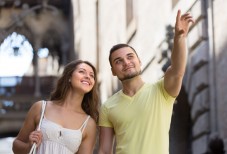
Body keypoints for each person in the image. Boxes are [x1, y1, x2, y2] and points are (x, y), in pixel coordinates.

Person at [98, 10, 194, 154]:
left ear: (139, 62)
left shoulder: (162, 91)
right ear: (113, 71)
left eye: (130, 57)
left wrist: (179, 38)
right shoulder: (107, 107)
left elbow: (176, 70)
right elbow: (105, 151)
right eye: (119, 61)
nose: (126, 62)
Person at [12, 60, 100, 154]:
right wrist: (29, 146)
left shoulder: (89, 124)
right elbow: (16, 146)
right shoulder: (40, 107)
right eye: (82, 71)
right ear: (69, 77)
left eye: (92, 75)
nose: (88, 76)